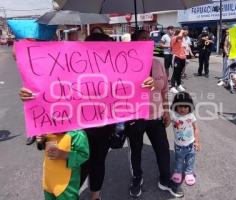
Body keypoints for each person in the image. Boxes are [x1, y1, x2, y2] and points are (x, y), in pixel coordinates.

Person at [18, 32, 155, 200]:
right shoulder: (72, 66)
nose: (105, 54)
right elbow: (51, 89)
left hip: (104, 129)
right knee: (76, 165)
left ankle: (95, 196)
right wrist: (31, 96)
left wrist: (146, 83)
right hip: (76, 130)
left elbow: (131, 86)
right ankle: (70, 194)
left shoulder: (113, 66)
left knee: (98, 163)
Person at [127, 30, 184, 198]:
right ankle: (137, 178)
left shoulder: (158, 64)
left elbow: (165, 90)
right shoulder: (127, 64)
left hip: (156, 116)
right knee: (135, 151)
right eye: (142, 38)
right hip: (135, 117)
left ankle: (165, 179)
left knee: (163, 149)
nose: (147, 41)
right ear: (135, 42)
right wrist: (139, 82)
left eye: (148, 38)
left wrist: (166, 111)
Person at [36, 130, 89, 200]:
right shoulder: (48, 128)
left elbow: (83, 155)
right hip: (49, 180)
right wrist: (41, 141)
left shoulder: (77, 133)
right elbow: (43, 146)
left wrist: (64, 154)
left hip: (67, 185)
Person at [170, 92, 200, 186]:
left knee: (190, 159)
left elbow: (196, 128)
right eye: (180, 106)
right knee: (179, 159)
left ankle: (189, 173)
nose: (183, 109)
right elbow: (166, 122)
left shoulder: (191, 116)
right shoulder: (173, 115)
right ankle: (178, 172)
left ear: (190, 107)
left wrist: (197, 141)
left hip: (190, 144)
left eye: (185, 107)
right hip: (178, 145)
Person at [170, 29, 187, 94]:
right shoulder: (174, 38)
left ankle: (179, 85)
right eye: (182, 34)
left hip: (182, 57)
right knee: (175, 72)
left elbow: (184, 47)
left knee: (179, 72)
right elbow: (179, 37)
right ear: (179, 33)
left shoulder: (182, 39)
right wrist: (182, 31)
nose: (183, 35)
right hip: (176, 57)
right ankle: (172, 87)